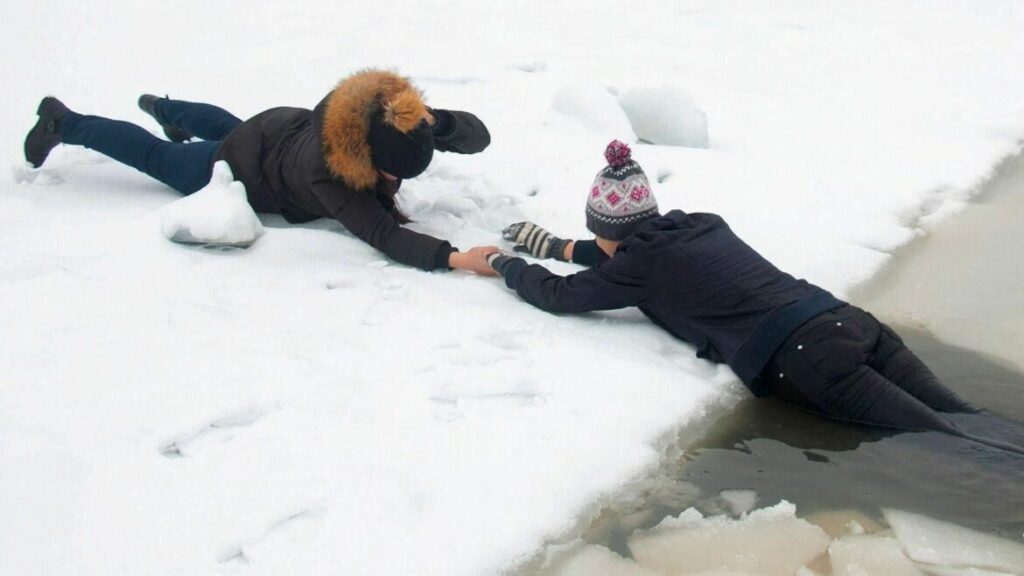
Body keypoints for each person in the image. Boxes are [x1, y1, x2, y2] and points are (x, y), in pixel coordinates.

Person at [486, 140, 984, 436]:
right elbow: (627, 257)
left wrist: (501, 264)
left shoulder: (638, 266)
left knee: (949, 442)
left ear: (608, 231)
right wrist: (554, 246)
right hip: (849, 320)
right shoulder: (701, 224)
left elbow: (559, 295)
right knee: (967, 417)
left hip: (809, 357)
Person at [23, 68, 498, 274]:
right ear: (367, 155)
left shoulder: (384, 119)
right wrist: (457, 259)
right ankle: (63, 122)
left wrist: (438, 122)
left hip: (276, 128)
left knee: (229, 127)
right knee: (157, 157)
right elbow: (383, 234)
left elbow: (480, 138)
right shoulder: (330, 174)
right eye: (391, 174)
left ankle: (165, 108)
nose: (395, 184)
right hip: (244, 166)